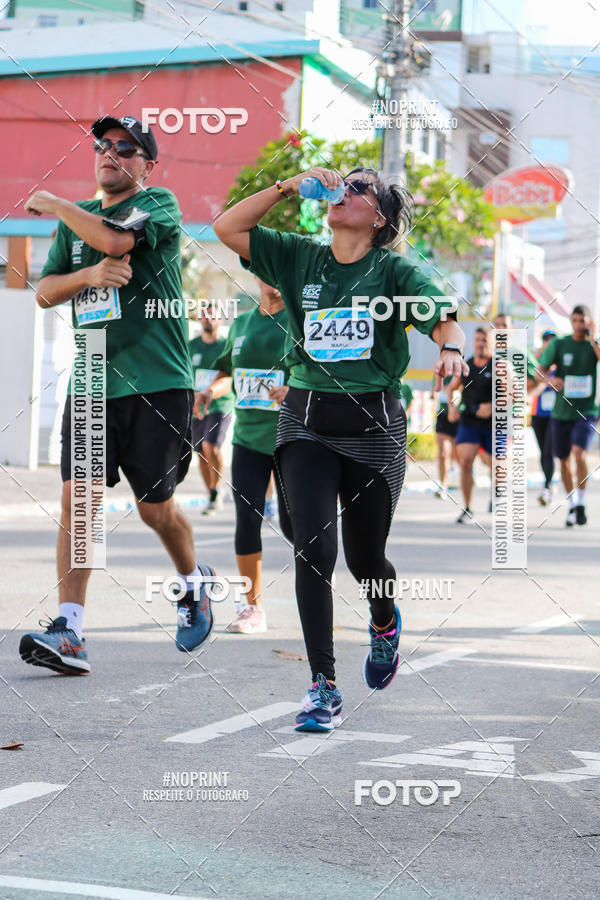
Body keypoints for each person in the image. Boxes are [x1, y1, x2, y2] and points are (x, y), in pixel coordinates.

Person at [214, 165, 467, 731]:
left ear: (377, 217)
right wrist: (284, 186)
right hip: (304, 422)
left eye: (359, 188)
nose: (342, 192)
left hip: (374, 431)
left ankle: (383, 622)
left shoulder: (394, 270)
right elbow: (226, 228)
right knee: (312, 551)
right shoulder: (301, 257)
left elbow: (441, 316)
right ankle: (322, 686)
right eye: (341, 184)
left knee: (365, 559)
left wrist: (451, 349)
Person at [19, 114, 215, 674]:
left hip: (157, 383)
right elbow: (46, 292)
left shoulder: (160, 204)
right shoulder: (76, 223)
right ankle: (71, 630)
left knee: (156, 510)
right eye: (103, 145)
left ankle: (193, 580)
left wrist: (57, 205)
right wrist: (87, 276)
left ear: (147, 164)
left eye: (127, 149)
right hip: (92, 383)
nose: (111, 154)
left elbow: (114, 238)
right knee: (76, 503)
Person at [196, 278, 294, 634]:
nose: (272, 278)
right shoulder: (241, 323)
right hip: (249, 437)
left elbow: (319, 371)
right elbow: (227, 371)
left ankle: (320, 591)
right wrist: (210, 389)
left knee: (294, 526)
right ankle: (252, 608)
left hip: (293, 438)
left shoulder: (300, 319)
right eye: (264, 270)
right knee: (247, 517)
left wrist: (294, 389)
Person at [538, 305, 600, 526]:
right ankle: (574, 504)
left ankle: (581, 501)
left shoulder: (593, 345)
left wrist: (594, 338)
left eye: (582, 320)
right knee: (563, 460)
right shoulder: (560, 344)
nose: (579, 325)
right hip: (561, 411)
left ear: (589, 321)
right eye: (575, 320)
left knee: (579, 454)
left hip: (587, 411)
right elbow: (540, 369)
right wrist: (550, 380)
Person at [189, 307, 235, 514]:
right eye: (205, 315)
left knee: (211, 446)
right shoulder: (191, 346)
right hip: (196, 405)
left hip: (220, 404)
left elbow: (231, 375)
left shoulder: (226, 346)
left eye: (213, 315)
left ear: (220, 319)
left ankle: (216, 489)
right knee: (200, 450)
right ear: (199, 318)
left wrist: (213, 391)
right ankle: (211, 493)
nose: (208, 319)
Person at [448, 326, 493, 524]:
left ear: (491, 343)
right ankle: (467, 507)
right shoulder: (466, 366)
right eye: (478, 340)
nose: (481, 344)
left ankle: (497, 493)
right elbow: (451, 389)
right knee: (465, 461)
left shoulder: (499, 367)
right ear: (473, 343)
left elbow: (513, 394)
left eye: (485, 340)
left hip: (494, 423)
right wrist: (451, 408)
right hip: (470, 420)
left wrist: (494, 405)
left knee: (496, 465)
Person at [529, 330, 557, 505]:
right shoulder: (536, 361)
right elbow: (531, 381)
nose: (549, 343)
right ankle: (548, 482)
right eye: (546, 340)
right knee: (542, 451)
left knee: (549, 450)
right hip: (538, 412)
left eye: (552, 341)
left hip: (556, 413)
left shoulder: (562, 363)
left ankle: (547, 486)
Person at [431, 376, 459, 498]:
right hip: (443, 415)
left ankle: (466, 480)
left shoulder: (464, 369)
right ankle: (443, 486)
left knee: (460, 456)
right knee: (443, 453)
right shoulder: (440, 371)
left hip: (460, 415)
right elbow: (434, 391)